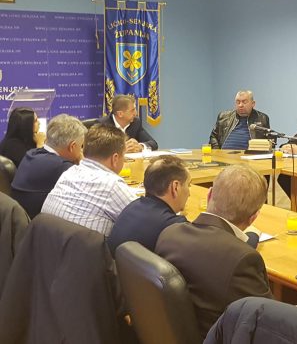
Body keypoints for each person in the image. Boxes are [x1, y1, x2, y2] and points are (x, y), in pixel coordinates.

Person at [155, 164, 273, 339]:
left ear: (209, 195)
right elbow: (269, 322)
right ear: (253, 218)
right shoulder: (242, 259)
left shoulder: (169, 234)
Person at [41, 124, 137, 236]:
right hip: (82, 246)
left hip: (47, 243)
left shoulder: (68, 173)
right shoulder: (112, 185)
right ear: (115, 158)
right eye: (123, 155)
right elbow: (144, 220)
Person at [107, 155, 190, 256]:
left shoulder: (132, 206)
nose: (189, 193)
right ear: (175, 187)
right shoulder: (174, 226)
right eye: (188, 185)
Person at [11, 114, 87, 219]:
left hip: (21, 220)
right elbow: (91, 186)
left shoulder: (32, 153)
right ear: (72, 146)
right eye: (81, 146)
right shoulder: (63, 168)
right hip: (36, 223)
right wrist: (82, 162)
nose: (81, 151)